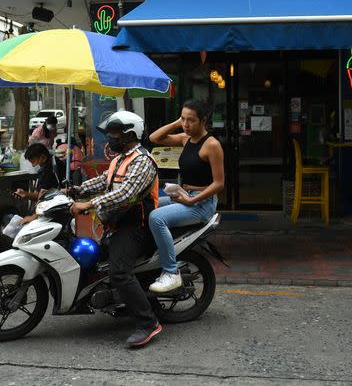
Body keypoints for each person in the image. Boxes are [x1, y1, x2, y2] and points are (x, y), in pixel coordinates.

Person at [56, 111, 162, 347]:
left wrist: (88, 203)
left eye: (115, 133)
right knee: (93, 261)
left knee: (119, 272)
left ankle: (148, 323)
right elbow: (104, 181)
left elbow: (125, 193)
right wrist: (74, 191)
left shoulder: (142, 161)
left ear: (130, 134)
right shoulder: (120, 159)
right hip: (116, 223)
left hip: (136, 227)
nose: (110, 139)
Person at [147, 99, 225, 293]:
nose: (186, 125)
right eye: (183, 119)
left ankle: (171, 272)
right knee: (147, 205)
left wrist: (192, 200)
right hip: (184, 194)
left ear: (203, 120)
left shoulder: (212, 145)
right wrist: (177, 123)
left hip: (202, 203)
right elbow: (154, 138)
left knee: (156, 218)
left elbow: (219, 183)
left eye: (191, 120)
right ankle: (150, 259)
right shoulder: (185, 139)